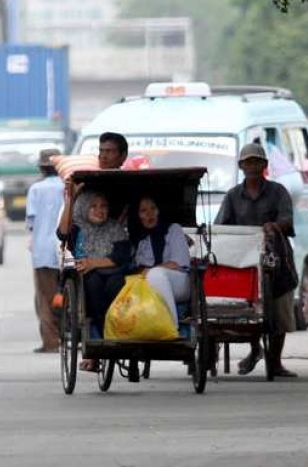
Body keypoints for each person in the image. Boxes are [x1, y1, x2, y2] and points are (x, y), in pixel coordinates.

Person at [215, 142, 298, 378]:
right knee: (248, 310)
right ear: (241, 166)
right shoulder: (232, 196)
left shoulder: (278, 191)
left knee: (279, 310)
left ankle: (276, 362)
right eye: (248, 162)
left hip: (277, 259)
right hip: (245, 261)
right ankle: (255, 349)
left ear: (265, 165)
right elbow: (221, 227)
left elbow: (287, 219)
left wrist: (274, 226)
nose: (252, 166)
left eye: (257, 161)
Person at [57, 191, 131, 372]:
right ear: (84, 208)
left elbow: (121, 256)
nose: (99, 210)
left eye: (103, 206)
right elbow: (61, 233)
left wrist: (94, 262)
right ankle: (99, 333)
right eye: (94, 206)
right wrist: (70, 200)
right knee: (92, 284)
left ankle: (116, 330)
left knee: (116, 284)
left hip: (113, 272)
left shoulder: (115, 228)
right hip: (87, 277)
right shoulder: (77, 228)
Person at [25, 148, 64, 353]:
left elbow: (31, 221)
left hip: (42, 251)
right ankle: (70, 334)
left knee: (45, 298)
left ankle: (51, 341)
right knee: (66, 293)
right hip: (67, 249)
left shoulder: (36, 190)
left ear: (41, 168)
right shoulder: (68, 186)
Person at [131, 196, 191, 327]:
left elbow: (178, 263)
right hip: (147, 285)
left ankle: (170, 326)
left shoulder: (173, 229)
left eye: (153, 208)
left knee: (156, 275)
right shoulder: (140, 239)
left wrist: (151, 271)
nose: (149, 214)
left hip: (178, 282)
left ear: (160, 210)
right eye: (143, 211)